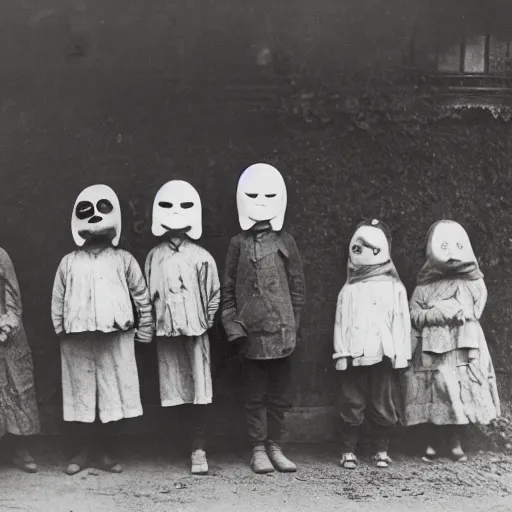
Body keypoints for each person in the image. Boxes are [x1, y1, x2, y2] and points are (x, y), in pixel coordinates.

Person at [51, 184, 153, 475]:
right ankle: (82, 452)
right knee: (82, 395)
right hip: (77, 340)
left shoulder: (123, 259)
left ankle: (106, 451)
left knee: (112, 396)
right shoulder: (69, 262)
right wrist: (60, 329)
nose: (95, 221)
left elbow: (141, 295)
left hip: (116, 339)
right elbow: (58, 298)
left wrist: (145, 329)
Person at [221, 163, 306, 474]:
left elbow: (297, 286)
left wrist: (294, 326)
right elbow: (227, 288)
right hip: (250, 335)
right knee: (254, 394)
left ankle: (275, 446)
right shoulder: (237, 244)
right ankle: (257, 448)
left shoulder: (286, 241)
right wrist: (233, 325)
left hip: (283, 333)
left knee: (279, 394)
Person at [403, 220, 500, 462]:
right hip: (433, 347)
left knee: (459, 389)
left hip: (462, 345)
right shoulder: (424, 287)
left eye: (457, 246)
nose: (452, 254)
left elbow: (475, 310)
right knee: (435, 390)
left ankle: (456, 441)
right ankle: (433, 441)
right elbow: (414, 313)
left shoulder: (473, 283)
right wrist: (435, 313)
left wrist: (456, 311)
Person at [145, 180, 220, 475]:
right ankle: (176, 446)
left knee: (198, 390)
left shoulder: (201, 256)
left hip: (195, 334)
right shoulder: (155, 256)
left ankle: (198, 449)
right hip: (166, 333)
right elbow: (149, 293)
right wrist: (154, 324)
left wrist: (203, 322)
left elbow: (214, 294)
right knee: (173, 389)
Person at [333, 219, 411, 469]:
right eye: (358, 248)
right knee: (351, 401)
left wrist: (401, 355)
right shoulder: (349, 290)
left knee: (383, 403)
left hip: (384, 356)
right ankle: (348, 450)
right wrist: (341, 353)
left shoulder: (394, 287)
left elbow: (401, 322)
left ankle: (381, 449)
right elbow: (341, 323)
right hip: (355, 355)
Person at [0, 248, 40, 473]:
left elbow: (13, 295)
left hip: (5, 329)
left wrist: (7, 326)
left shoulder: (1, 254)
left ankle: (19, 449)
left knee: (16, 386)